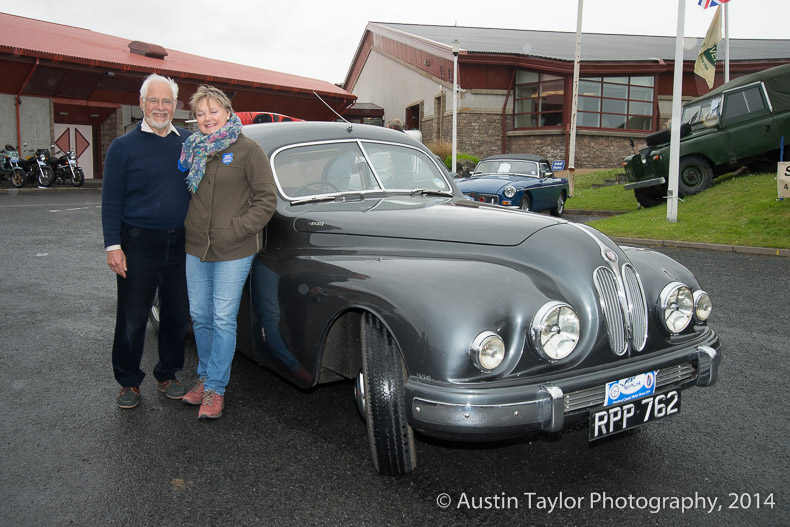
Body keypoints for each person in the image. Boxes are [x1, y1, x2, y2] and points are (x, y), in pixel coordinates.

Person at [178, 85, 277, 420]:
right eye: (201, 113)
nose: (207, 118)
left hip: (234, 248)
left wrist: (237, 229)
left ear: (227, 110)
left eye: (213, 111)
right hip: (196, 246)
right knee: (201, 315)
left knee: (222, 318)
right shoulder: (194, 149)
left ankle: (216, 389)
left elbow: (266, 199)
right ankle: (204, 377)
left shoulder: (249, 150)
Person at [102, 74, 192, 409]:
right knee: (132, 316)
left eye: (166, 101)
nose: (159, 106)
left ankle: (167, 373)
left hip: (181, 242)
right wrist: (113, 246)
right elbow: (111, 200)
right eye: (153, 100)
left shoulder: (188, 142)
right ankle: (128, 380)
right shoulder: (122, 147)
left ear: (175, 106)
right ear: (141, 104)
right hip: (138, 241)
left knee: (177, 314)